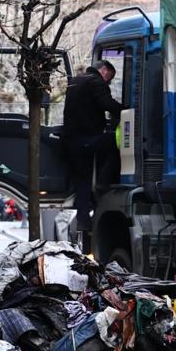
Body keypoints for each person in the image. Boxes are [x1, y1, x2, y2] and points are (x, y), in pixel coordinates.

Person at [62, 60, 123, 253]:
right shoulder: (95, 82)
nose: (108, 84)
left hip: (72, 141)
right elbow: (107, 104)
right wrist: (127, 110)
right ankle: (104, 185)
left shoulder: (75, 81)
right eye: (109, 79)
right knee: (116, 144)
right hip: (87, 139)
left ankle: (83, 220)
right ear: (103, 70)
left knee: (82, 179)